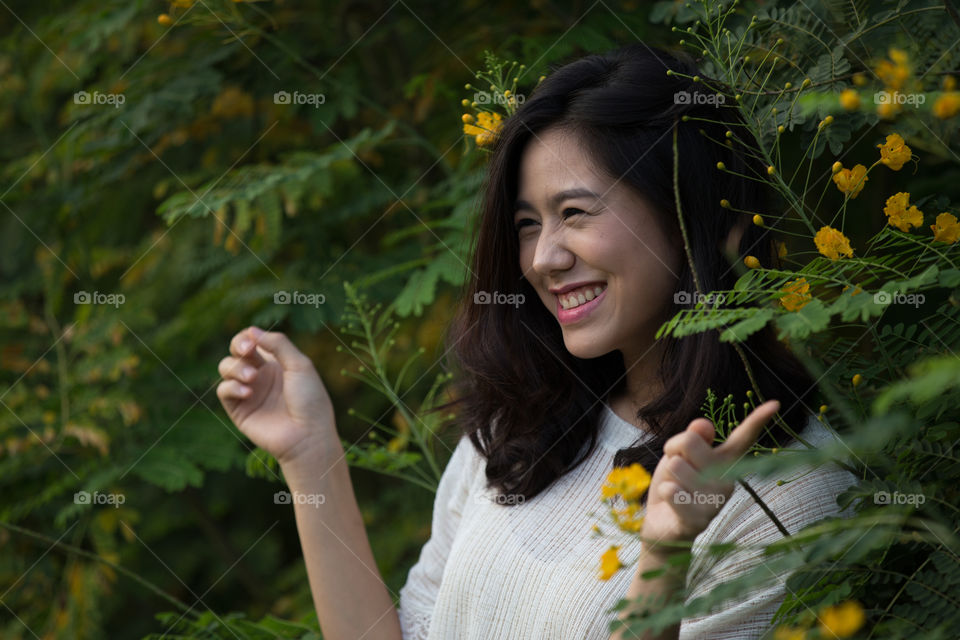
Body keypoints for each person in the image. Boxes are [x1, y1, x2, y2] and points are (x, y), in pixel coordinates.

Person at [216, 43, 858, 640]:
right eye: (527, 224)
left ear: (695, 215)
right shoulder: (523, 422)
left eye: (576, 213)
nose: (543, 258)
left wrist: (665, 557)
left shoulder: (786, 491)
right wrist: (310, 455)